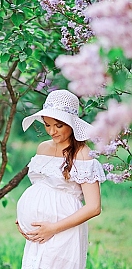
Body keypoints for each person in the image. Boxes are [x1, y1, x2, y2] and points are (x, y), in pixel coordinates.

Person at [16, 89, 106, 269]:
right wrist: (25, 217)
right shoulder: (43, 148)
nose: (51, 131)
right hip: (38, 233)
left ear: (71, 124)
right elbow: (41, 188)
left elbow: (94, 207)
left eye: (58, 126)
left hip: (62, 230)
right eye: (47, 125)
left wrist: (53, 228)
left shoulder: (82, 155)